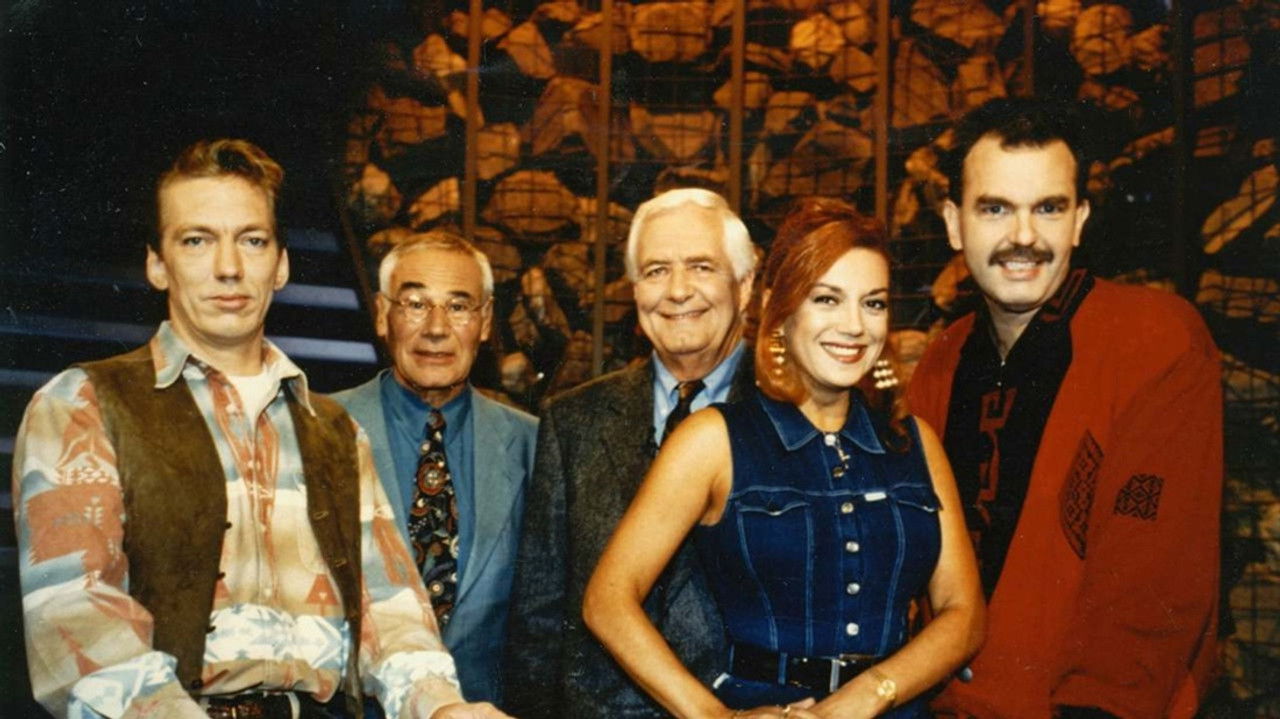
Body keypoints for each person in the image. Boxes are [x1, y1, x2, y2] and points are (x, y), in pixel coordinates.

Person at [11, 139, 509, 719]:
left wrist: (443, 707)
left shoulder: (333, 430)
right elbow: (76, 617)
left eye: (252, 241)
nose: (229, 268)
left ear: (281, 266)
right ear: (156, 265)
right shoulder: (85, 405)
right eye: (197, 241)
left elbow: (389, 610)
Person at [583, 197, 984, 718]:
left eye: (873, 303)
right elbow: (607, 600)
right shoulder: (713, 440)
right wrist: (714, 716)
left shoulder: (914, 442)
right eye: (827, 299)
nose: (854, 326)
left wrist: (869, 694)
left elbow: (964, 613)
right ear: (778, 308)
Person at [907, 97, 1223, 718]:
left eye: (1047, 208)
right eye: (995, 208)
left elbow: (1152, 576)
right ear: (953, 223)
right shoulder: (940, 362)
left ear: (1079, 220)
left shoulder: (1155, 339)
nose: (1023, 237)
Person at [504, 188, 759, 718]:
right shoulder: (573, 420)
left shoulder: (790, 415)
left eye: (701, 267)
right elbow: (539, 618)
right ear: (635, 289)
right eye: (656, 271)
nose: (678, 291)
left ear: (745, 284)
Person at [333, 231, 538, 705]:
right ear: (382, 314)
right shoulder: (320, 428)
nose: (437, 328)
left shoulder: (534, 446)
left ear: (485, 322)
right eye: (415, 304)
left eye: (458, 306)